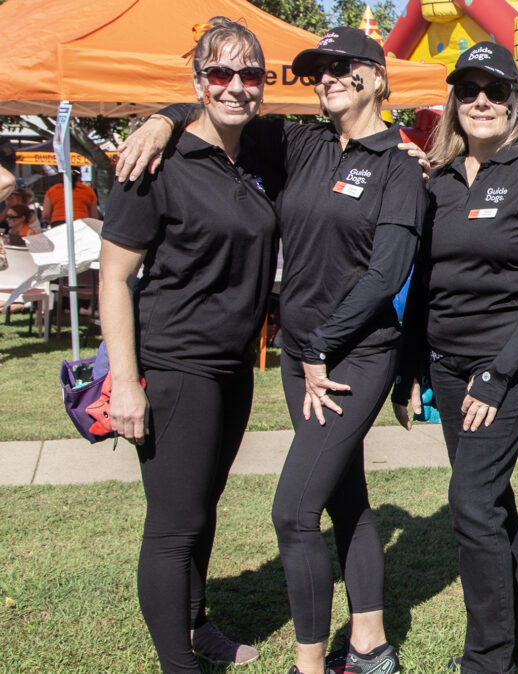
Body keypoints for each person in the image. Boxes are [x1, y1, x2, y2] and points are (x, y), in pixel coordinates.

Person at [117, 25, 425, 674]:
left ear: (376, 77)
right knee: (343, 495)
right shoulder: (299, 141)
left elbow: (387, 273)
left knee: (295, 510)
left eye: (342, 67)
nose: (328, 78)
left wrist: (320, 344)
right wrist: (160, 120)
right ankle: (370, 645)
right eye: (319, 70)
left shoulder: (399, 164)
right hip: (294, 358)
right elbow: (215, 107)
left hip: (350, 355)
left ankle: (311, 665)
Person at [99, 18, 279, 672]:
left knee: (201, 509)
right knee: (174, 526)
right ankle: (179, 664)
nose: (236, 86)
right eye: (220, 73)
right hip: (176, 364)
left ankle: (197, 626)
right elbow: (114, 279)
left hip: (232, 366)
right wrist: (126, 382)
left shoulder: (255, 152)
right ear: (199, 79)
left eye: (249, 73)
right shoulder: (155, 164)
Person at [390, 41, 518, 674]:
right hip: (446, 365)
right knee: (488, 497)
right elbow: (423, 284)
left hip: (511, 366)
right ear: (454, 102)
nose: (481, 102)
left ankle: (489, 659)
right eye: (468, 90)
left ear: (515, 103)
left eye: (495, 91)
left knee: (470, 500)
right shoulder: (436, 182)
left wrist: (496, 375)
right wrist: (409, 368)